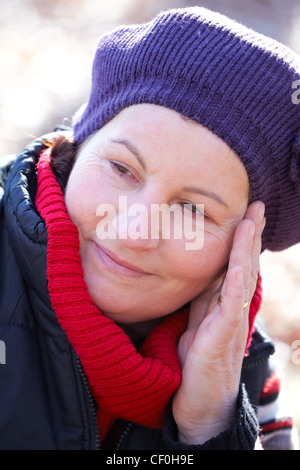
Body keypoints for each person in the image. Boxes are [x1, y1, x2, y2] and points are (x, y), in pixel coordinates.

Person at [0, 6, 299, 450]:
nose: (135, 230)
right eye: (122, 168)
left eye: (194, 210)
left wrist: (210, 426)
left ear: (243, 245)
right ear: (77, 148)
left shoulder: (244, 370)